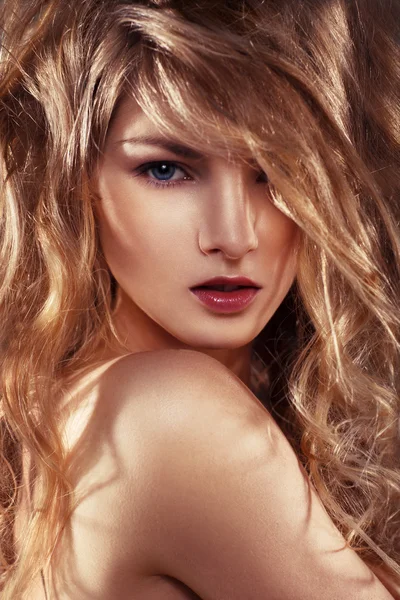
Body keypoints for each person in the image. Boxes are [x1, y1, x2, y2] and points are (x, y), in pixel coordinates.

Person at [0, 0, 399, 598]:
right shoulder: (166, 411)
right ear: (78, 179)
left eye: (275, 169)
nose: (234, 237)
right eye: (166, 171)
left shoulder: (79, 403)